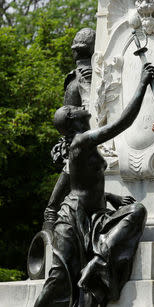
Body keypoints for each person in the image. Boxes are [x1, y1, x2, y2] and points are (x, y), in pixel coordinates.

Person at [34, 63, 154, 307]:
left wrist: (111, 197)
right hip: (72, 220)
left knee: (137, 211)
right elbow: (122, 123)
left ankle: (97, 264)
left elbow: (86, 183)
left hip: (96, 216)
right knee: (59, 281)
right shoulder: (81, 141)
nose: (81, 108)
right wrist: (142, 84)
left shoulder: (82, 144)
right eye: (75, 109)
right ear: (72, 121)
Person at [43, 28, 96, 230]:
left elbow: (88, 111)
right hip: (76, 151)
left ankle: (50, 250)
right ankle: (48, 249)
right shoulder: (80, 78)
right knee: (59, 206)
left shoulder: (78, 78)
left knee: (55, 206)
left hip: (78, 150)